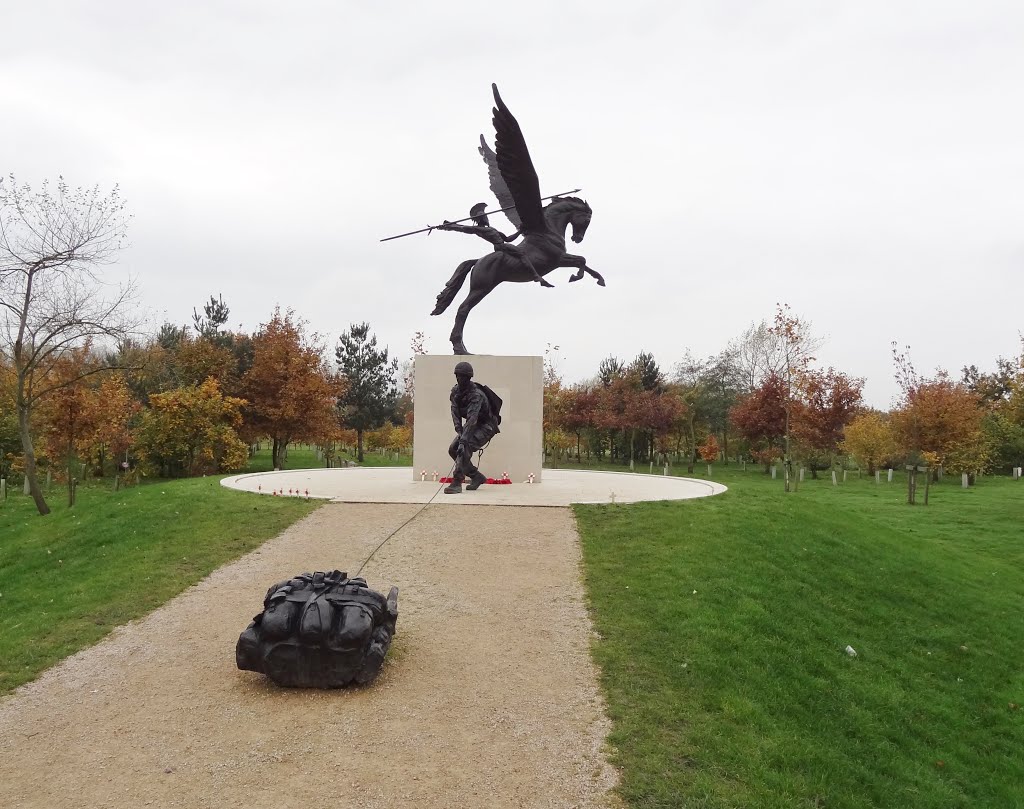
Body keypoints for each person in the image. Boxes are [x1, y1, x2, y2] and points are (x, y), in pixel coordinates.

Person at [437, 203, 554, 287]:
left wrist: (519, 231)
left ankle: (535, 275)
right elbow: (463, 228)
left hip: (503, 244)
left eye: (486, 216)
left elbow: (508, 238)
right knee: (521, 253)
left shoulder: (492, 229)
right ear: (480, 219)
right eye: (484, 216)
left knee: (519, 252)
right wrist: (449, 226)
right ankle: (536, 276)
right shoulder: (478, 229)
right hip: (500, 247)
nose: (486, 218)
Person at [444, 361, 501, 494]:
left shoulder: (476, 395)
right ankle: (477, 477)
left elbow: (472, 419)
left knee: (465, 447)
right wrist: (459, 432)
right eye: (457, 375)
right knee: (453, 449)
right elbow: (455, 414)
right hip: (472, 425)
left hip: (486, 426)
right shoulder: (455, 391)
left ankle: (457, 482)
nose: (459, 379)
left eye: (462, 376)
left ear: (469, 378)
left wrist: (463, 441)